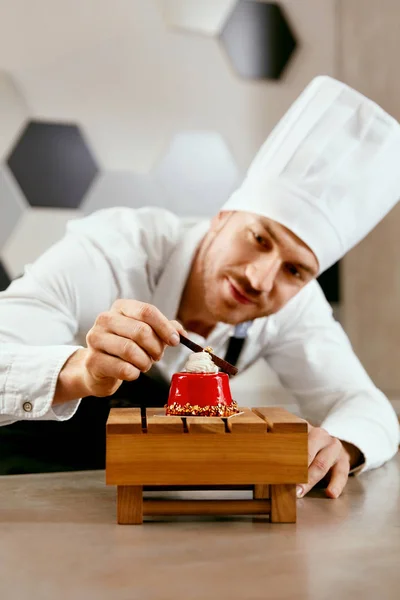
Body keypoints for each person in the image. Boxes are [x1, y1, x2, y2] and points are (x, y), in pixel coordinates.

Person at [0, 76, 399, 498]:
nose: (260, 279)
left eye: (295, 270)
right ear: (223, 216)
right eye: (259, 238)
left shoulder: (294, 305)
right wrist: (82, 371)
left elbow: (365, 405)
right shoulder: (111, 252)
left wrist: (341, 445)